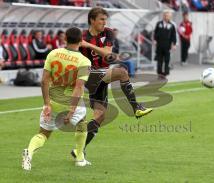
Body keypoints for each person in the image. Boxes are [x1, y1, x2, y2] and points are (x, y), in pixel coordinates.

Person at [71, 7, 153, 158]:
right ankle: (136, 107)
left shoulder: (107, 33)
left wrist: (89, 46)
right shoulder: (81, 36)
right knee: (122, 72)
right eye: (101, 19)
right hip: (89, 75)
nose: (104, 22)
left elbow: (107, 53)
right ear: (92, 20)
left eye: (105, 19)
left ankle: (78, 149)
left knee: (100, 115)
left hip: (102, 74)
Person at [22, 27, 91, 171]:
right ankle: (79, 158)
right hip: (70, 102)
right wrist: (71, 111)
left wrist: (46, 104)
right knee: (82, 123)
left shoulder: (53, 53)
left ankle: (29, 152)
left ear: (64, 38)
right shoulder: (84, 61)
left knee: (43, 134)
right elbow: (79, 88)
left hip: (53, 102)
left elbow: (44, 81)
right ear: (81, 40)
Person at [154, 9, 177, 78]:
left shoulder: (172, 25)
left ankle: (166, 72)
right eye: (165, 15)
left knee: (167, 59)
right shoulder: (159, 24)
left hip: (167, 45)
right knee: (159, 59)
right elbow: (155, 33)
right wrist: (155, 40)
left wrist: (174, 44)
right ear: (163, 16)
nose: (167, 17)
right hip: (160, 44)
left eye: (168, 16)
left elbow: (173, 35)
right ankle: (159, 72)